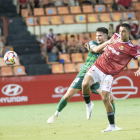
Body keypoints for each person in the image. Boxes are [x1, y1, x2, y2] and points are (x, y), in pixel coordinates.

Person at [47, 27, 117, 124]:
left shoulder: (109, 48)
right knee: (67, 96)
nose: (98, 37)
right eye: (97, 35)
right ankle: (56, 114)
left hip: (96, 77)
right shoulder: (92, 43)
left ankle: (113, 122)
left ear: (105, 36)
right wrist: (108, 43)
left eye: (100, 35)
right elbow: (96, 49)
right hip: (84, 74)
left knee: (110, 98)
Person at [82, 23, 140, 132]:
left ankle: (112, 126)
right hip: (98, 66)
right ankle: (88, 104)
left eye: (123, 31)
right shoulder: (115, 36)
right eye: (120, 31)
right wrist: (92, 49)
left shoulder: (131, 48)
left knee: (105, 98)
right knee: (85, 84)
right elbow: (104, 48)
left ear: (129, 33)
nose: (121, 33)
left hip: (109, 73)